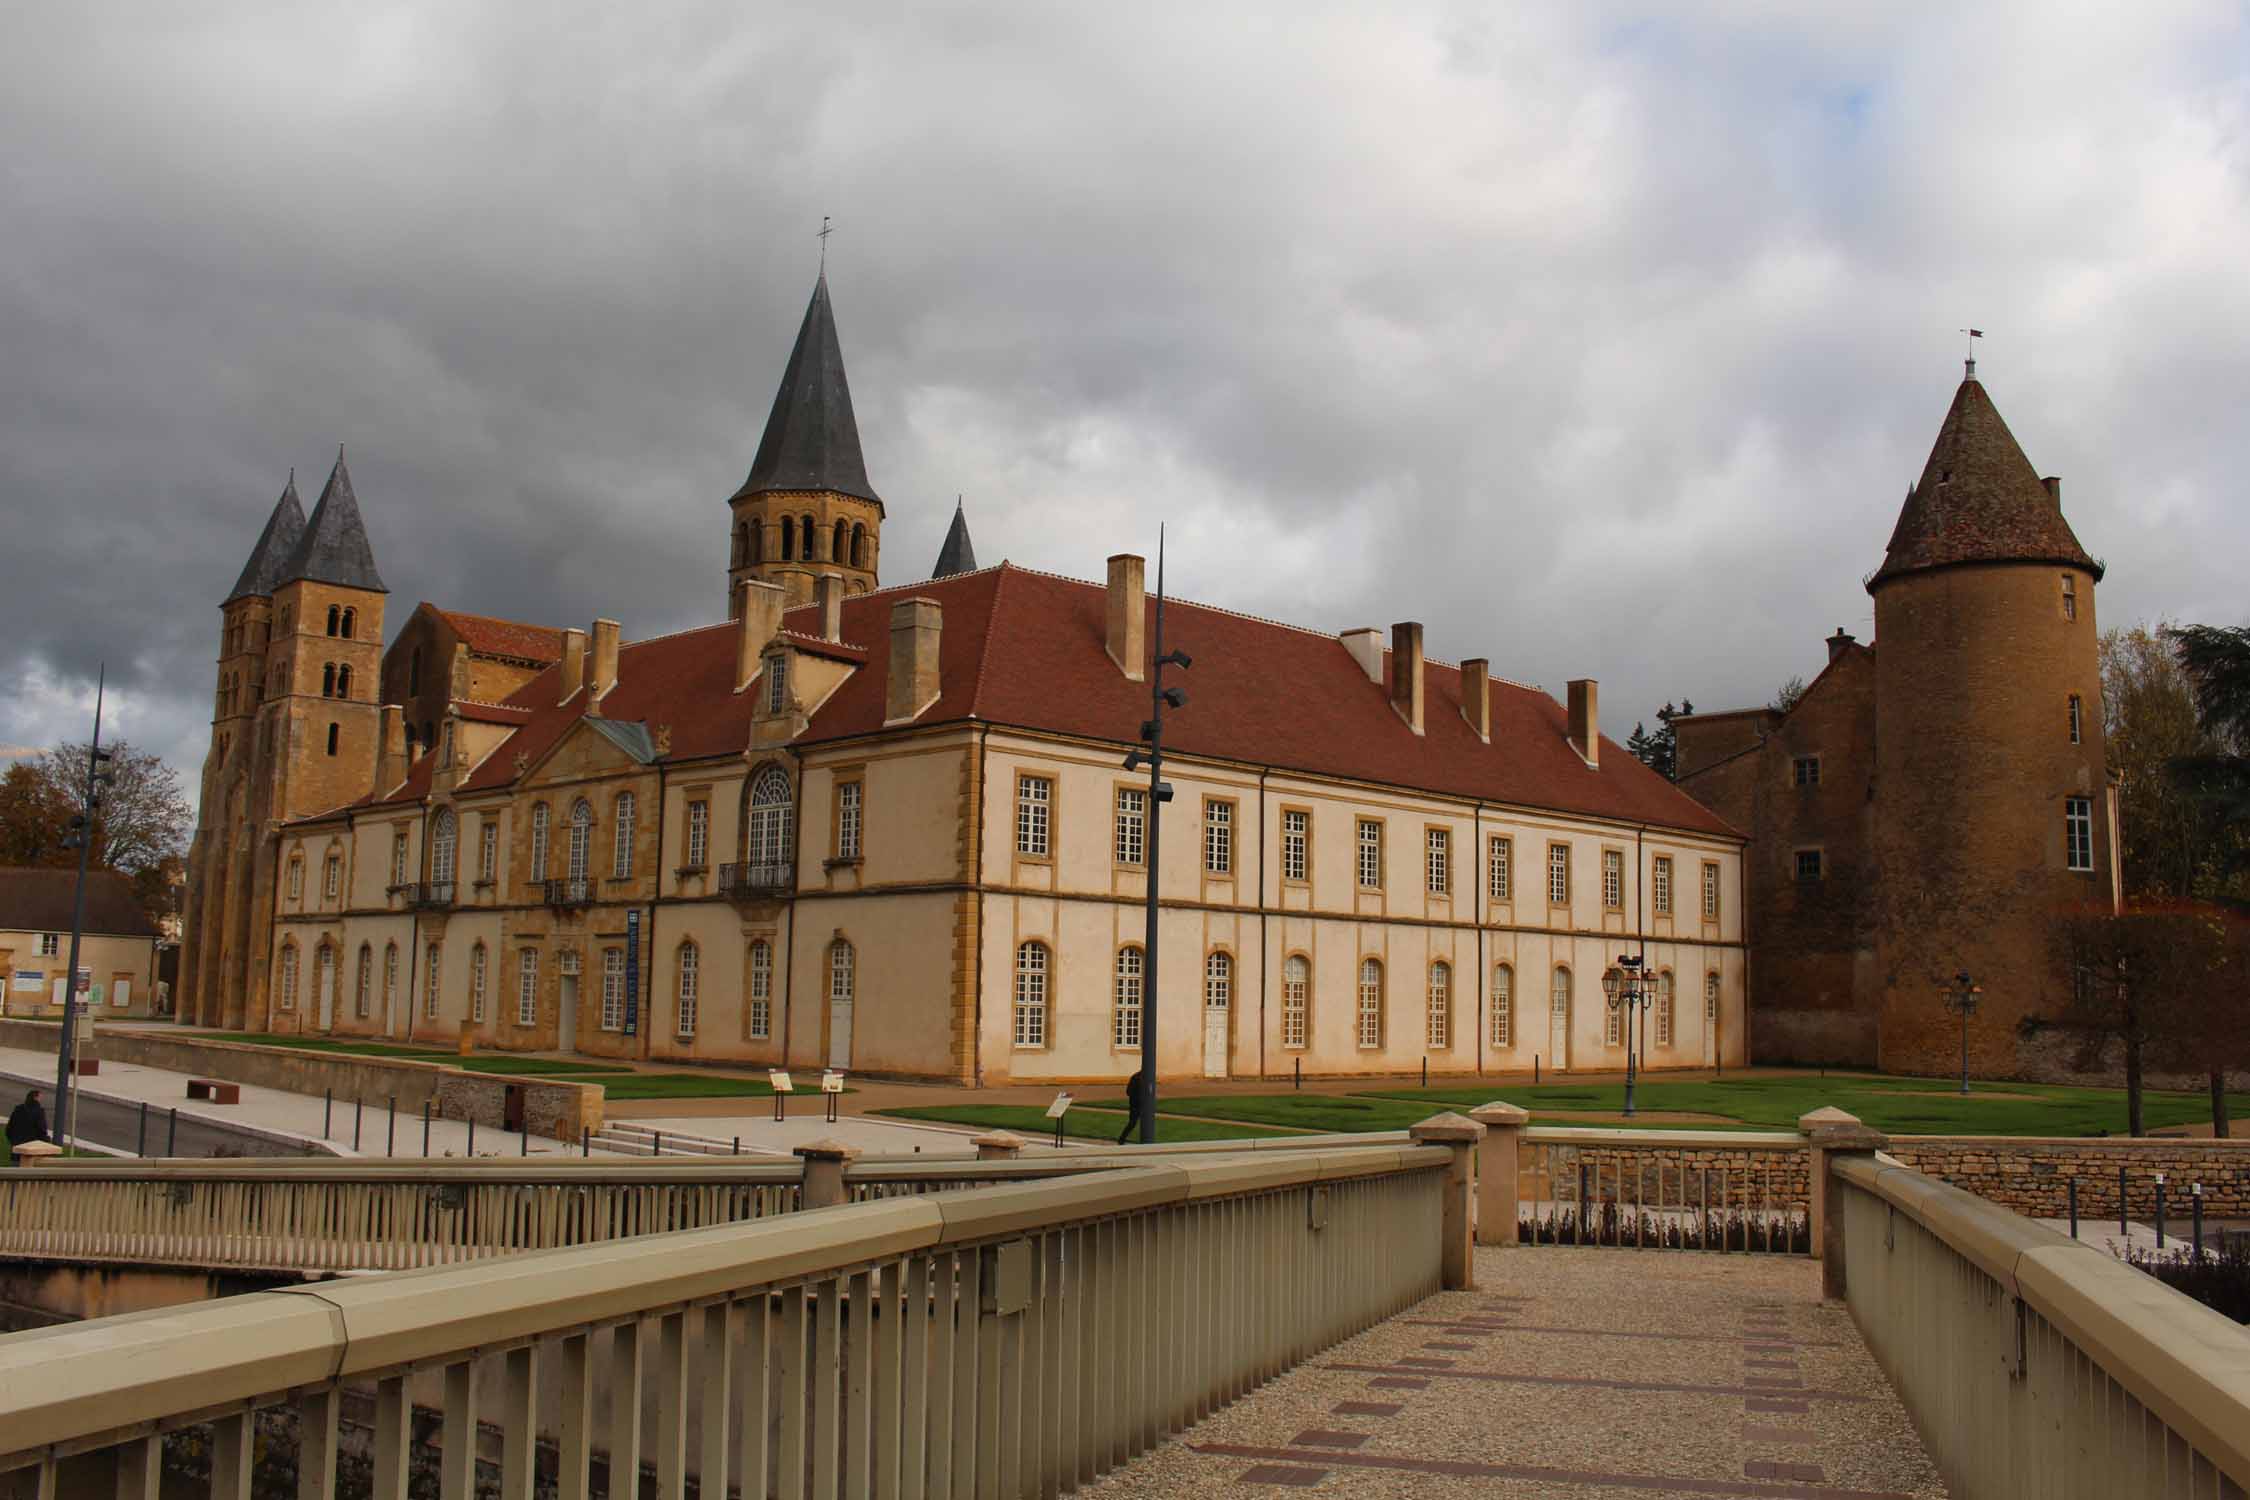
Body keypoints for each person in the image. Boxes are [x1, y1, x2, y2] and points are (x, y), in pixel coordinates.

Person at [6, 1088, 50, 1166]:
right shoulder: (39, 1111)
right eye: (40, 1098)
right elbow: (41, 1129)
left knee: (15, 1170)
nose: (41, 1100)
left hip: (17, 1147)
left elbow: (9, 1128)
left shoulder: (18, 1109)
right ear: (35, 1098)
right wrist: (46, 1141)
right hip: (31, 1148)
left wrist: (13, 1140)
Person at [1115, 1066, 1152, 1145]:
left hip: (1137, 1104)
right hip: (1137, 1105)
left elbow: (1128, 1091)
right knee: (1134, 1123)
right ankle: (1122, 1139)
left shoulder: (1138, 1077)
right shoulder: (1139, 1078)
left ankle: (1122, 1139)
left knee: (1135, 1123)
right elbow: (1129, 1091)